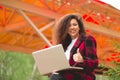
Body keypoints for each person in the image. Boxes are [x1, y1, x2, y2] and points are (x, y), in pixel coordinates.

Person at [50, 13, 98, 80]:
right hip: (66, 76)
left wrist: (82, 60)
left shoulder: (87, 39)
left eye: (75, 25)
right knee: (54, 75)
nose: (72, 27)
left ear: (79, 27)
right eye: (69, 25)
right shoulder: (65, 45)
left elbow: (94, 63)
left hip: (81, 77)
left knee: (55, 77)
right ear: (65, 29)